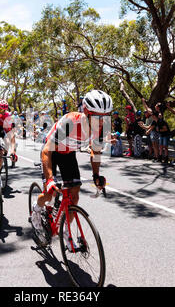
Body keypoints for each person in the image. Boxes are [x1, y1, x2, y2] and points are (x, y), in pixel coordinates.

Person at [30, 89, 111, 249]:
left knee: (74, 196)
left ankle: (65, 230)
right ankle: (36, 210)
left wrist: (96, 175)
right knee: (49, 193)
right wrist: (50, 179)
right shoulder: (70, 122)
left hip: (68, 154)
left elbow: (96, 151)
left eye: (105, 116)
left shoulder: (103, 126)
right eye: (97, 116)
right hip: (52, 152)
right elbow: (47, 151)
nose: (102, 121)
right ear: (86, 112)